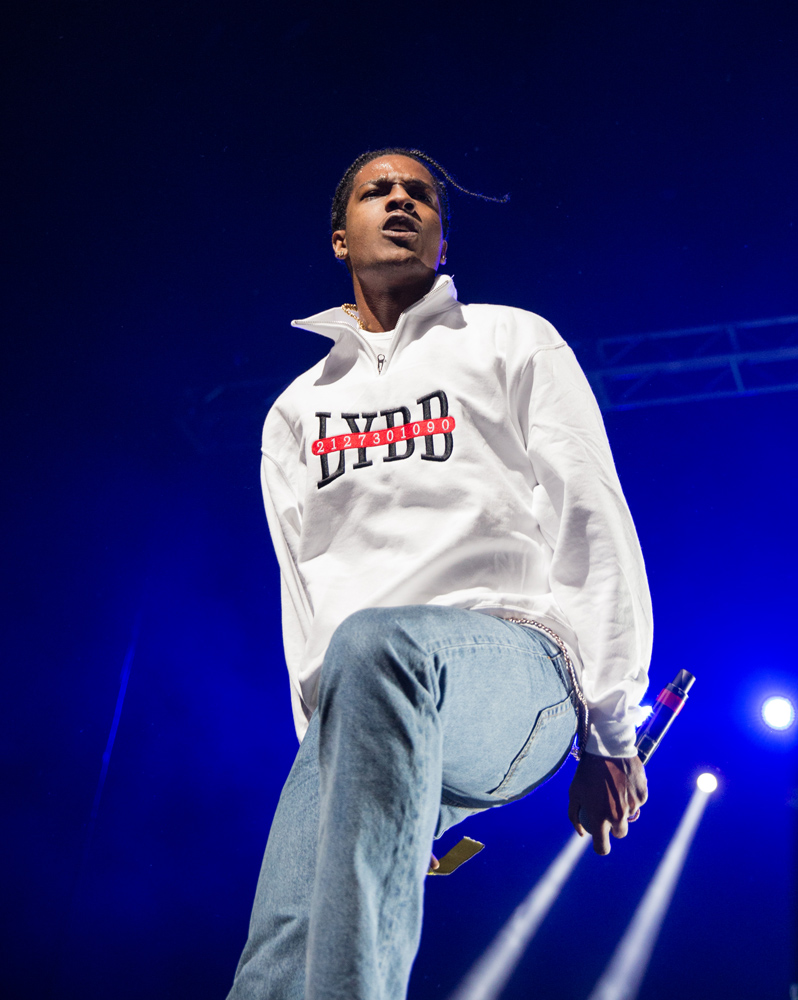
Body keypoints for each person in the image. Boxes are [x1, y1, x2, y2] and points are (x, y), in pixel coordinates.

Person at [227, 148, 652, 1000]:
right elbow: (302, 604)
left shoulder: (512, 338)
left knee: (381, 643)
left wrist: (609, 731)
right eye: (376, 191)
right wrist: (346, 781)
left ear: (442, 241)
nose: (400, 202)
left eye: (419, 194)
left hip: (518, 675)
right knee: (281, 941)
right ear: (340, 238)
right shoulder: (295, 410)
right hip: (373, 701)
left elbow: (590, 519)